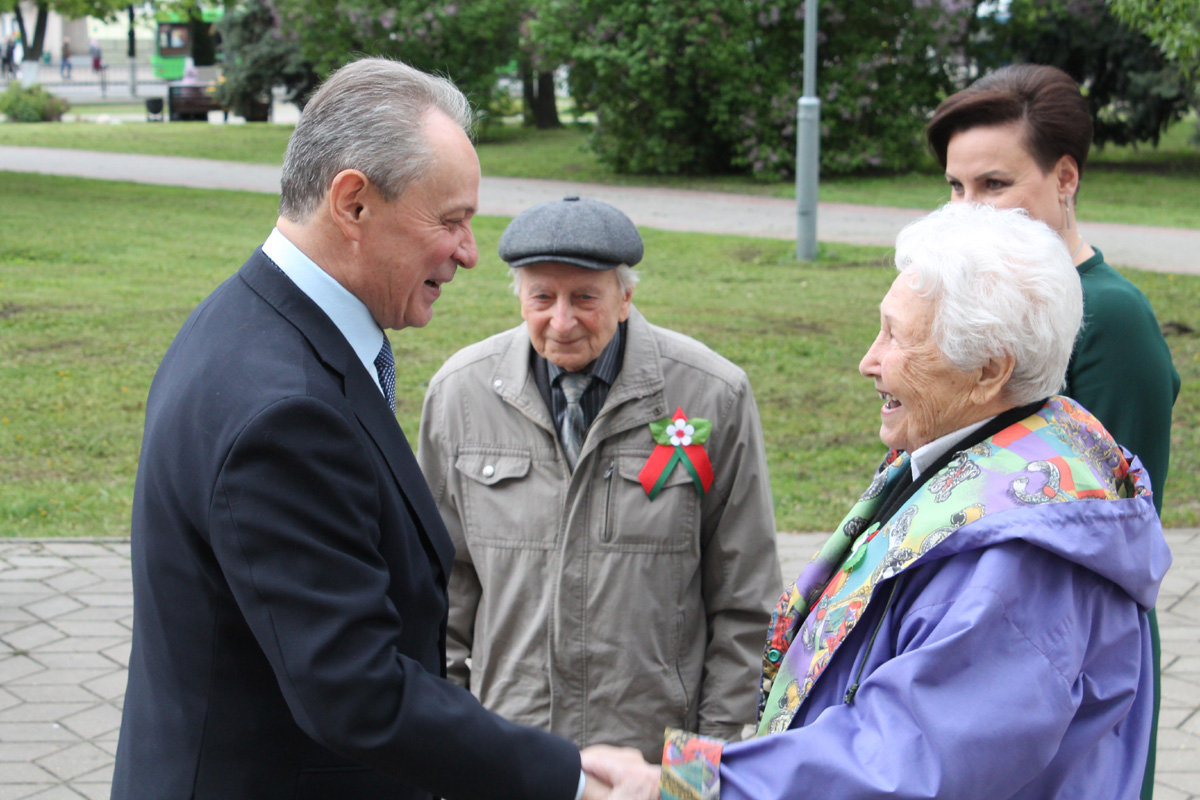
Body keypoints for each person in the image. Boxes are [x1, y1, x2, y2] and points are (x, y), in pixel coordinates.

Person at [110, 57, 657, 800]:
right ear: (353, 204)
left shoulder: (249, 324)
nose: (468, 252)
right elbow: (356, 692)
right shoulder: (285, 410)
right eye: (451, 220)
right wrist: (572, 782)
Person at [654, 203, 1171, 800]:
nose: (867, 361)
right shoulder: (990, 454)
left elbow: (904, 763)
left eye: (895, 336)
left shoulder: (1024, 559)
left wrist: (688, 784)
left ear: (987, 371)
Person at [417, 196, 782, 762]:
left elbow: (745, 601)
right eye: (542, 297)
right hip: (508, 758)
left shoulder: (712, 394)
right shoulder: (460, 395)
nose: (561, 321)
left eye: (585, 297)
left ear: (626, 297)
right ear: (518, 296)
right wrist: (453, 753)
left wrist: (697, 778)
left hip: (651, 766)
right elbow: (440, 597)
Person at [925, 64, 1181, 799]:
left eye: (994, 185)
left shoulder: (1109, 319)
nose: (967, 210)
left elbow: (1115, 537)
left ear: (1064, 177)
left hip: (1063, 662)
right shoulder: (981, 304)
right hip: (971, 633)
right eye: (955, 187)